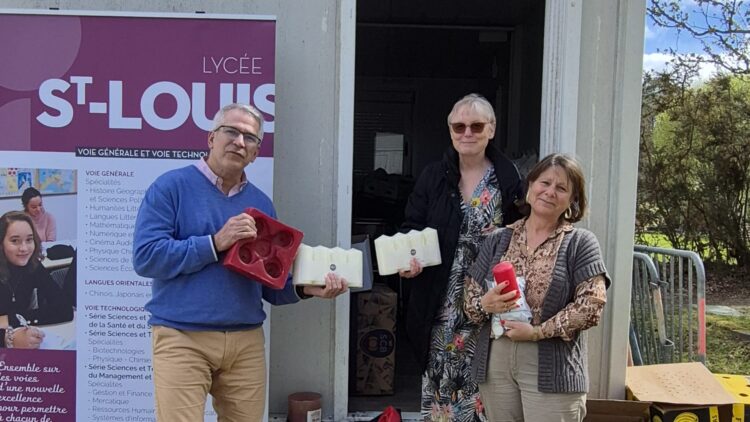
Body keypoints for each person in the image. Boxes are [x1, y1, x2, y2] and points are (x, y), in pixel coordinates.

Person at [132, 103, 349, 422]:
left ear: (256, 153)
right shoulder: (170, 188)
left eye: (250, 137)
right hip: (182, 337)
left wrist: (306, 289)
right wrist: (215, 242)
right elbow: (146, 258)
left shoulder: (261, 204)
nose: (239, 142)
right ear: (211, 138)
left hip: (245, 341)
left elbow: (269, 287)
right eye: (231, 132)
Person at [399, 93, 524, 421]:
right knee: (442, 386)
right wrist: (408, 261)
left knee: (486, 387)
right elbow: (412, 227)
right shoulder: (434, 176)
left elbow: (524, 236)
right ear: (450, 131)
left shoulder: (509, 180)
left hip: (490, 299)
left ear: (491, 130)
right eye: (459, 126)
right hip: (441, 300)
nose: (467, 133)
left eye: (476, 126)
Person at [463, 153, 610, 422]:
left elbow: (591, 306)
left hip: (552, 364)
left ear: (572, 200)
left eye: (561, 188)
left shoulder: (580, 243)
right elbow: (470, 303)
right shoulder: (498, 240)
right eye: (545, 183)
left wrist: (537, 332)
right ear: (530, 187)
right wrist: (485, 304)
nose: (550, 192)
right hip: (497, 360)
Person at [0, 211, 74, 332]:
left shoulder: (33, 265)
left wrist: (11, 319)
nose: (24, 248)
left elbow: (64, 310)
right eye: (15, 241)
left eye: (29, 240)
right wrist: (8, 338)